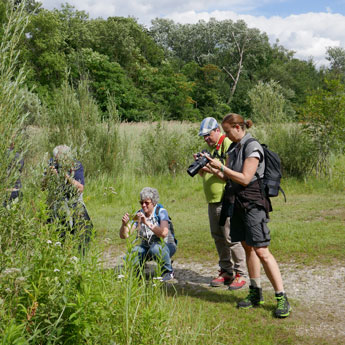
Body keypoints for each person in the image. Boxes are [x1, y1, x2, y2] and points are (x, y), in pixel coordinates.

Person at [206, 113, 291, 318]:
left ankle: (281, 297)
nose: (226, 135)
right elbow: (228, 177)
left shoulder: (252, 147)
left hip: (253, 204)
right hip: (237, 204)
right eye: (224, 132)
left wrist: (223, 167)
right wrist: (210, 166)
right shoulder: (234, 148)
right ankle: (255, 292)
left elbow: (245, 178)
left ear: (237, 127)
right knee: (248, 248)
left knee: (262, 251)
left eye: (227, 131)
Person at [195, 117, 246, 289]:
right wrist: (202, 167)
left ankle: (241, 273)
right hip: (212, 201)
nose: (205, 139)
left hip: (226, 199)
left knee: (231, 238)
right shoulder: (212, 148)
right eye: (203, 137)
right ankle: (226, 271)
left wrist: (210, 166)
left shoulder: (227, 145)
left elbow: (227, 175)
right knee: (218, 237)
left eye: (208, 135)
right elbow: (207, 175)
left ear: (217, 130)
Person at [120, 187, 177, 282]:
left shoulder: (161, 212)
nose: (143, 205)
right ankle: (136, 271)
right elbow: (125, 236)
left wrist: (146, 222)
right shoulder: (139, 214)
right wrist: (124, 225)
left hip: (166, 245)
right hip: (146, 246)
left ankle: (168, 271)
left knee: (155, 248)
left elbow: (164, 233)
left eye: (146, 203)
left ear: (154, 202)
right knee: (134, 251)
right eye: (141, 202)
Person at [42, 145, 93, 252]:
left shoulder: (76, 165)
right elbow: (42, 187)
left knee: (86, 227)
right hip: (56, 202)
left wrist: (64, 175)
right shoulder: (51, 164)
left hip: (74, 201)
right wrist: (48, 176)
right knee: (58, 231)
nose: (59, 161)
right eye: (57, 159)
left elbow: (80, 188)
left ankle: (81, 255)